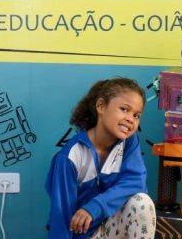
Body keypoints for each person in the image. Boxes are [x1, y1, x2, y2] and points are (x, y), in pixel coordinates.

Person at [45, 77, 156, 239]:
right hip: (82, 236)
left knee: (142, 202)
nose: (130, 119)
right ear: (101, 106)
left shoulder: (129, 142)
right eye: (124, 109)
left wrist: (96, 206)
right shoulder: (70, 156)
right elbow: (60, 217)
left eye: (136, 115)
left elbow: (136, 181)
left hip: (111, 229)